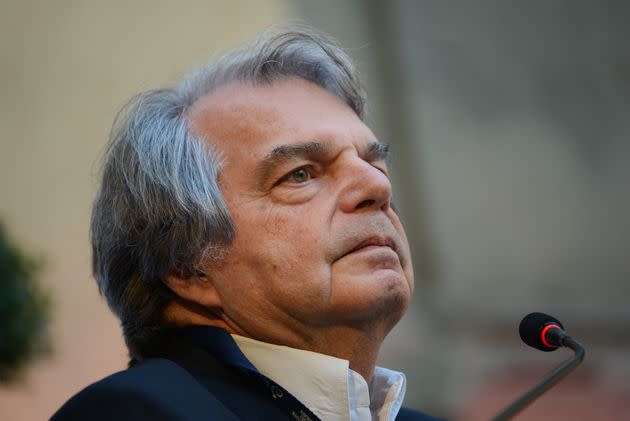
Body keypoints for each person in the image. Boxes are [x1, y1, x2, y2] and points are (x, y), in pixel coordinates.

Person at [52, 25, 443, 421]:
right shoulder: (135, 411)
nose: (377, 186)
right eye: (300, 174)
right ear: (187, 263)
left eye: (373, 162)